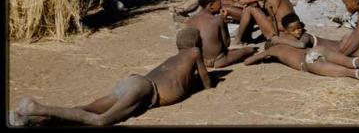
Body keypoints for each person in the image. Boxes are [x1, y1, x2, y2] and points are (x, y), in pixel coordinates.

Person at [9, 28, 212, 127]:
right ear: (195, 42)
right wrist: (210, 83)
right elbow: (205, 80)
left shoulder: (174, 58)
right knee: (100, 121)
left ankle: (30, 119)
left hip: (134, 81)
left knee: (86, 109)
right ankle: (35, 107)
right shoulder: (194, 52)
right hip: (146, 89)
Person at [243, 39, 359, 87]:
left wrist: (258, 53)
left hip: (307, 62)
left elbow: (248, 63)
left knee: (349, 72)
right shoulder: (289, 42)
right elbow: (302, 44)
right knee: (351, 62)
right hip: (316, 50)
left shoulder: (274, 50)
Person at [187, 0, 256, 68]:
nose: (221, 5)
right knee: (248, 50)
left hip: (199, 61)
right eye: (219, 2)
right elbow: (226, 43)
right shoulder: (218, 19)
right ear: (211, 5)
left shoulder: (190, 20)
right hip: (218, 60)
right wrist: (224, 20)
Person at [268, 13, 359, 59]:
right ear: (286, 31)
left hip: (345, 47)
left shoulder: (306, 36)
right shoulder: (293, 38)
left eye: (299, 27)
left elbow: (301, 45)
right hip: (343, 48)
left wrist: (279, 40)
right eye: (293, 30)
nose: (298, 31)